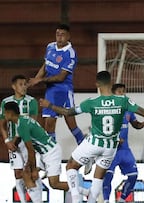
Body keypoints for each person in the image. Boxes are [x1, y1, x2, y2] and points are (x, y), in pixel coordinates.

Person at [39, 71, 144, 203]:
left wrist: (49, 105)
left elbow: (67, 112)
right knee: (98, 177)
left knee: (70, 167)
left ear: (97, 84)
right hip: (110, 148)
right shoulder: (123, 101)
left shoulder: (92, 102)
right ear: (110, 83)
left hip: (94, 143)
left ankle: (76, 199)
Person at [3, 101, 72, 203]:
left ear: (10, 113)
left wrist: (34, 169)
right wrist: (13, 144)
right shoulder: (22, 120)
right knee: (26, 173)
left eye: (5, 113)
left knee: (54, 184)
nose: (4, 115)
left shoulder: (22, 126)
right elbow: (18, 137)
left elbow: (31, 151)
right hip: (43, 152)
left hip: (51, 152)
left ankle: (83, 191)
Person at [28, 23, 84, 145]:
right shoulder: (50, 46)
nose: (59, 37)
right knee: (49, 122)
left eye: (62, 35)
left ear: (68, 36)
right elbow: (45, 65)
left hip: (63, 89)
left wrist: (41, 80)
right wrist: (36, 78)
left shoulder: (70, 53)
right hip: (50, 90)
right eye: (57, 34)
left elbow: (61, 77)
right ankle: (52, 152)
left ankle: (85, 148)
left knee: (71, 123)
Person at [102, 83, 144, 203]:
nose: (122, 93)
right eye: (119, 91)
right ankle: (106, 200)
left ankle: (122, 200)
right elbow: (102, 130)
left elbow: (135, 124)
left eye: (123, 91)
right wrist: (115, 139)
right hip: (111, 150)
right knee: (107, 176)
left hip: (124, 150)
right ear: (113, 94)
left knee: (133, 175)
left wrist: (141, 125)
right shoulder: (108, 110)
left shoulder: (128, 110)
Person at [0, 75, 39, 203]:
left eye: (25, 84)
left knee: (30, 171)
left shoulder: (31, 101)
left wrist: (16, 139)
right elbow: (2, 124)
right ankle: (22, 201)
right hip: (13, 143)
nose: (24, 87)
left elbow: (32, 122)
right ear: (14, 86)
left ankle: (36, 199)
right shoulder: (5, 102)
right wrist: (6, 141)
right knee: (17, 173)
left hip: (27, 142)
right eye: (21, 84)